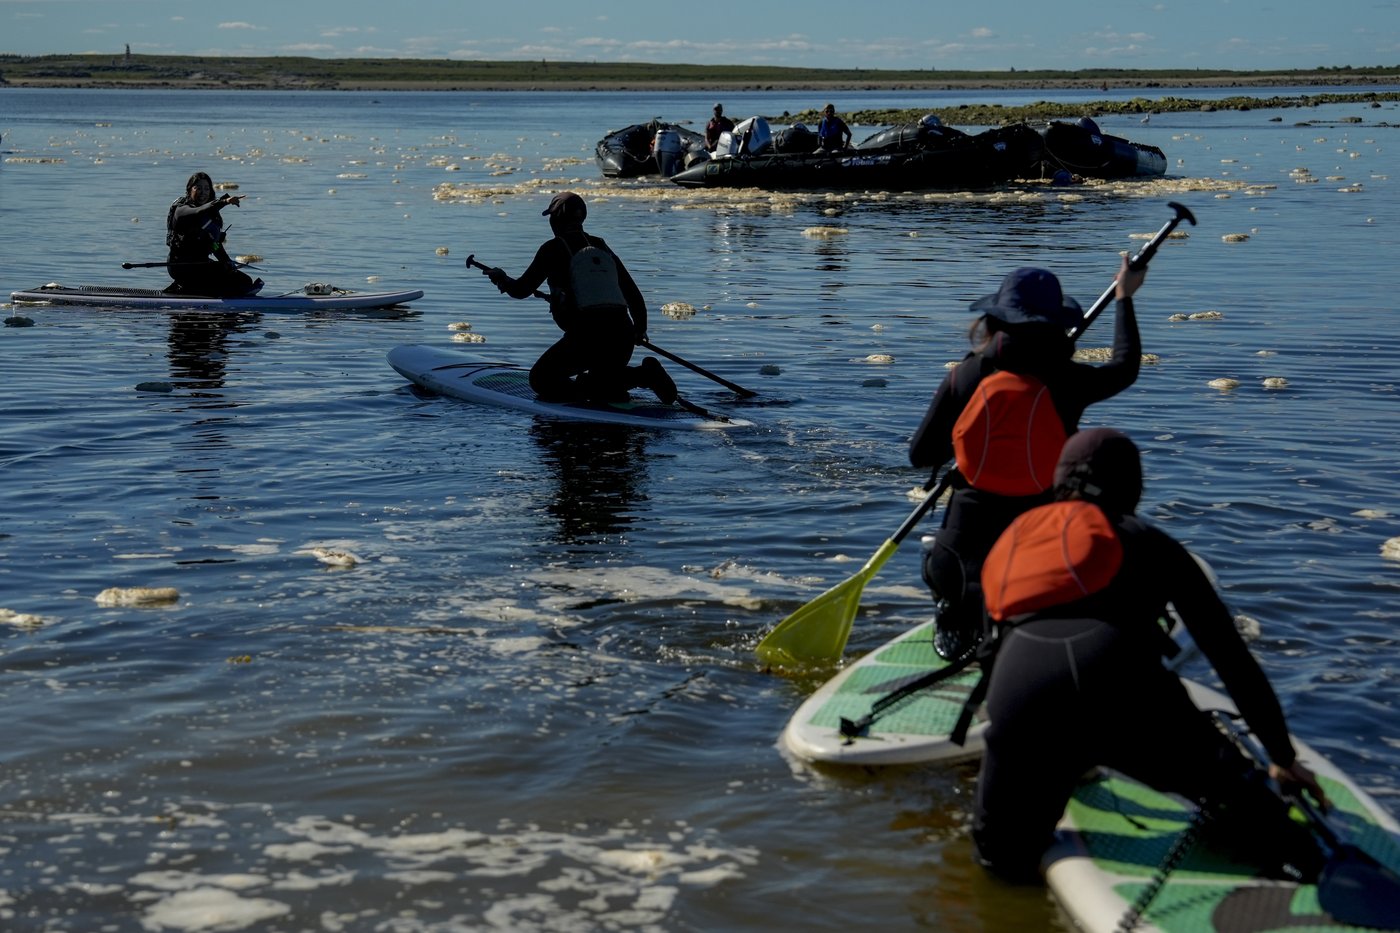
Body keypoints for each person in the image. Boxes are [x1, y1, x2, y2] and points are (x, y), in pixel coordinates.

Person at [969, 428, 1327, 882]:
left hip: (1022, 691)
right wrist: (1280, 753)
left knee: (999, 863)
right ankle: (1308, 867)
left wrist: (1032, 751)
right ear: (1131, 486)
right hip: (1122, 687)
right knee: (1277, 837)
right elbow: (1229, 655)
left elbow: (989, 656)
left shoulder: (1012, 539)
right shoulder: (1144, 539)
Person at [909, 259, 1145, 661]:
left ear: (994, 321)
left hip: (959, 564)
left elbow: (921, 456)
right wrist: (1124, 297)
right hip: (1038, 555)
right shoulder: (1069, 380)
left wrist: (975, 441)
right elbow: (1124, 368)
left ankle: (950, 612)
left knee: (944, 563)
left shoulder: (964, 376)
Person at [486, 191, 677, 405]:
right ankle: (633, 377)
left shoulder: (552, 249)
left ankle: (635, 378)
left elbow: (521, 290)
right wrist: (640, 329)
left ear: (556, 219)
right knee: (601, 382)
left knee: (541, 379)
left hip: (587, 337)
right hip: (622, 335)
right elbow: (633, 294)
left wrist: (501, 279)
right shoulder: (601, 246)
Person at [164, 171, 260, 297]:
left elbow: (214, 245)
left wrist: (227, 262)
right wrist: (224, 202)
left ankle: (192, 288)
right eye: (198, 188)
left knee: (244, 281)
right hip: (181, 266)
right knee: (237, 285)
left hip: (201, 265)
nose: (203, 192)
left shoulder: (210, 216)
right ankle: (186, 289)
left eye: (206, 188)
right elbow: (198, 212)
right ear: (189, 190)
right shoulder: (181, 210)